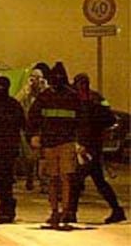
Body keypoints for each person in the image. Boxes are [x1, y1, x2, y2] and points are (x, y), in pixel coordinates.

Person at [27, 62, 83, 228]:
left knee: (55, 178)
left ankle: (57, 211)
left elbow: (32, 118)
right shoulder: (72, 96)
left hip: (52, 143)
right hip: (64, 142)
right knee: (65, 178)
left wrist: (34, 136)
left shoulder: (45, 96)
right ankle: (63, 210)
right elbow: (81, 121)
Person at [70, 73, 126, 224]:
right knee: (99, 181)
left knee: (76, 180)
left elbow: (109, 118)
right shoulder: (80, 99)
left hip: (90, 146)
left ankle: (71, 212)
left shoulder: (93, 100)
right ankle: (117, 210)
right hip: (85, 145)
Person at [0, 76, 25, 223]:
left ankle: (6, 210)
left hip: (8, 148)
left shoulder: (13, 105)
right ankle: (8, 201)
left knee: (5, 180)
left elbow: (23, 124)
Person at [15, 62, 51, 192]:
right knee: (30, 158)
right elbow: (15, 103)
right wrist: (25, 91)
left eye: (38, 77)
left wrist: (45, 89)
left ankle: (44, 183)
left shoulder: (46, 92)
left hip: (43, 129)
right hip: (28, 129)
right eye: (32, 77)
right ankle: (30, 178)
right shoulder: (27, 94)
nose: (35, 80)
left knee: (43, 157)